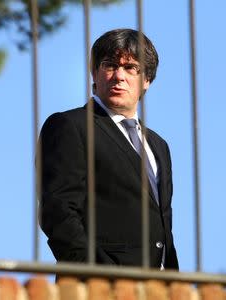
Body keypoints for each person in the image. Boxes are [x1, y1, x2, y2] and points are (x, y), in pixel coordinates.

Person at [38, 28, 178, 269]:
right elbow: (58, 212)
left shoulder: (158, 146)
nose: (119, 76)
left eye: (131, 67)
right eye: (110, 65)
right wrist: (101, 276)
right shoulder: (70, 125)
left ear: (147, 80)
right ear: (94, 73)